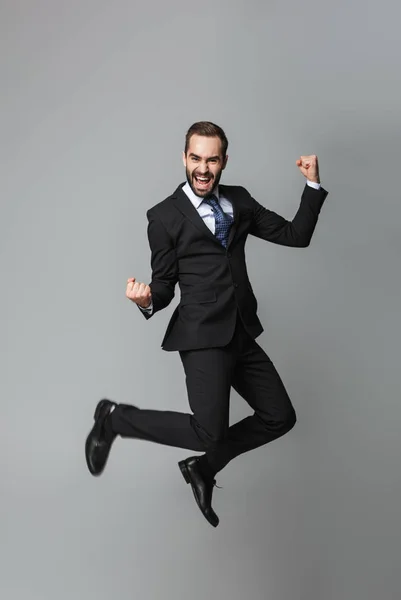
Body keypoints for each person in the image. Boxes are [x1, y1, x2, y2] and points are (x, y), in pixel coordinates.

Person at [85, 121, 328, 527]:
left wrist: (313, 186)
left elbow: (295, 235)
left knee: (279, 416)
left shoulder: (240, 201)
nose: (202, 168)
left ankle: (203, 468)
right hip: (201, 335)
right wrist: (147, 299)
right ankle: (113, 418)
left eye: (211, 159)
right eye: (195, 158)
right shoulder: (163, 217)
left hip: (241, 331)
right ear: (184, 158)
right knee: (207, 432)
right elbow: (163, 285)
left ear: (224, 161)